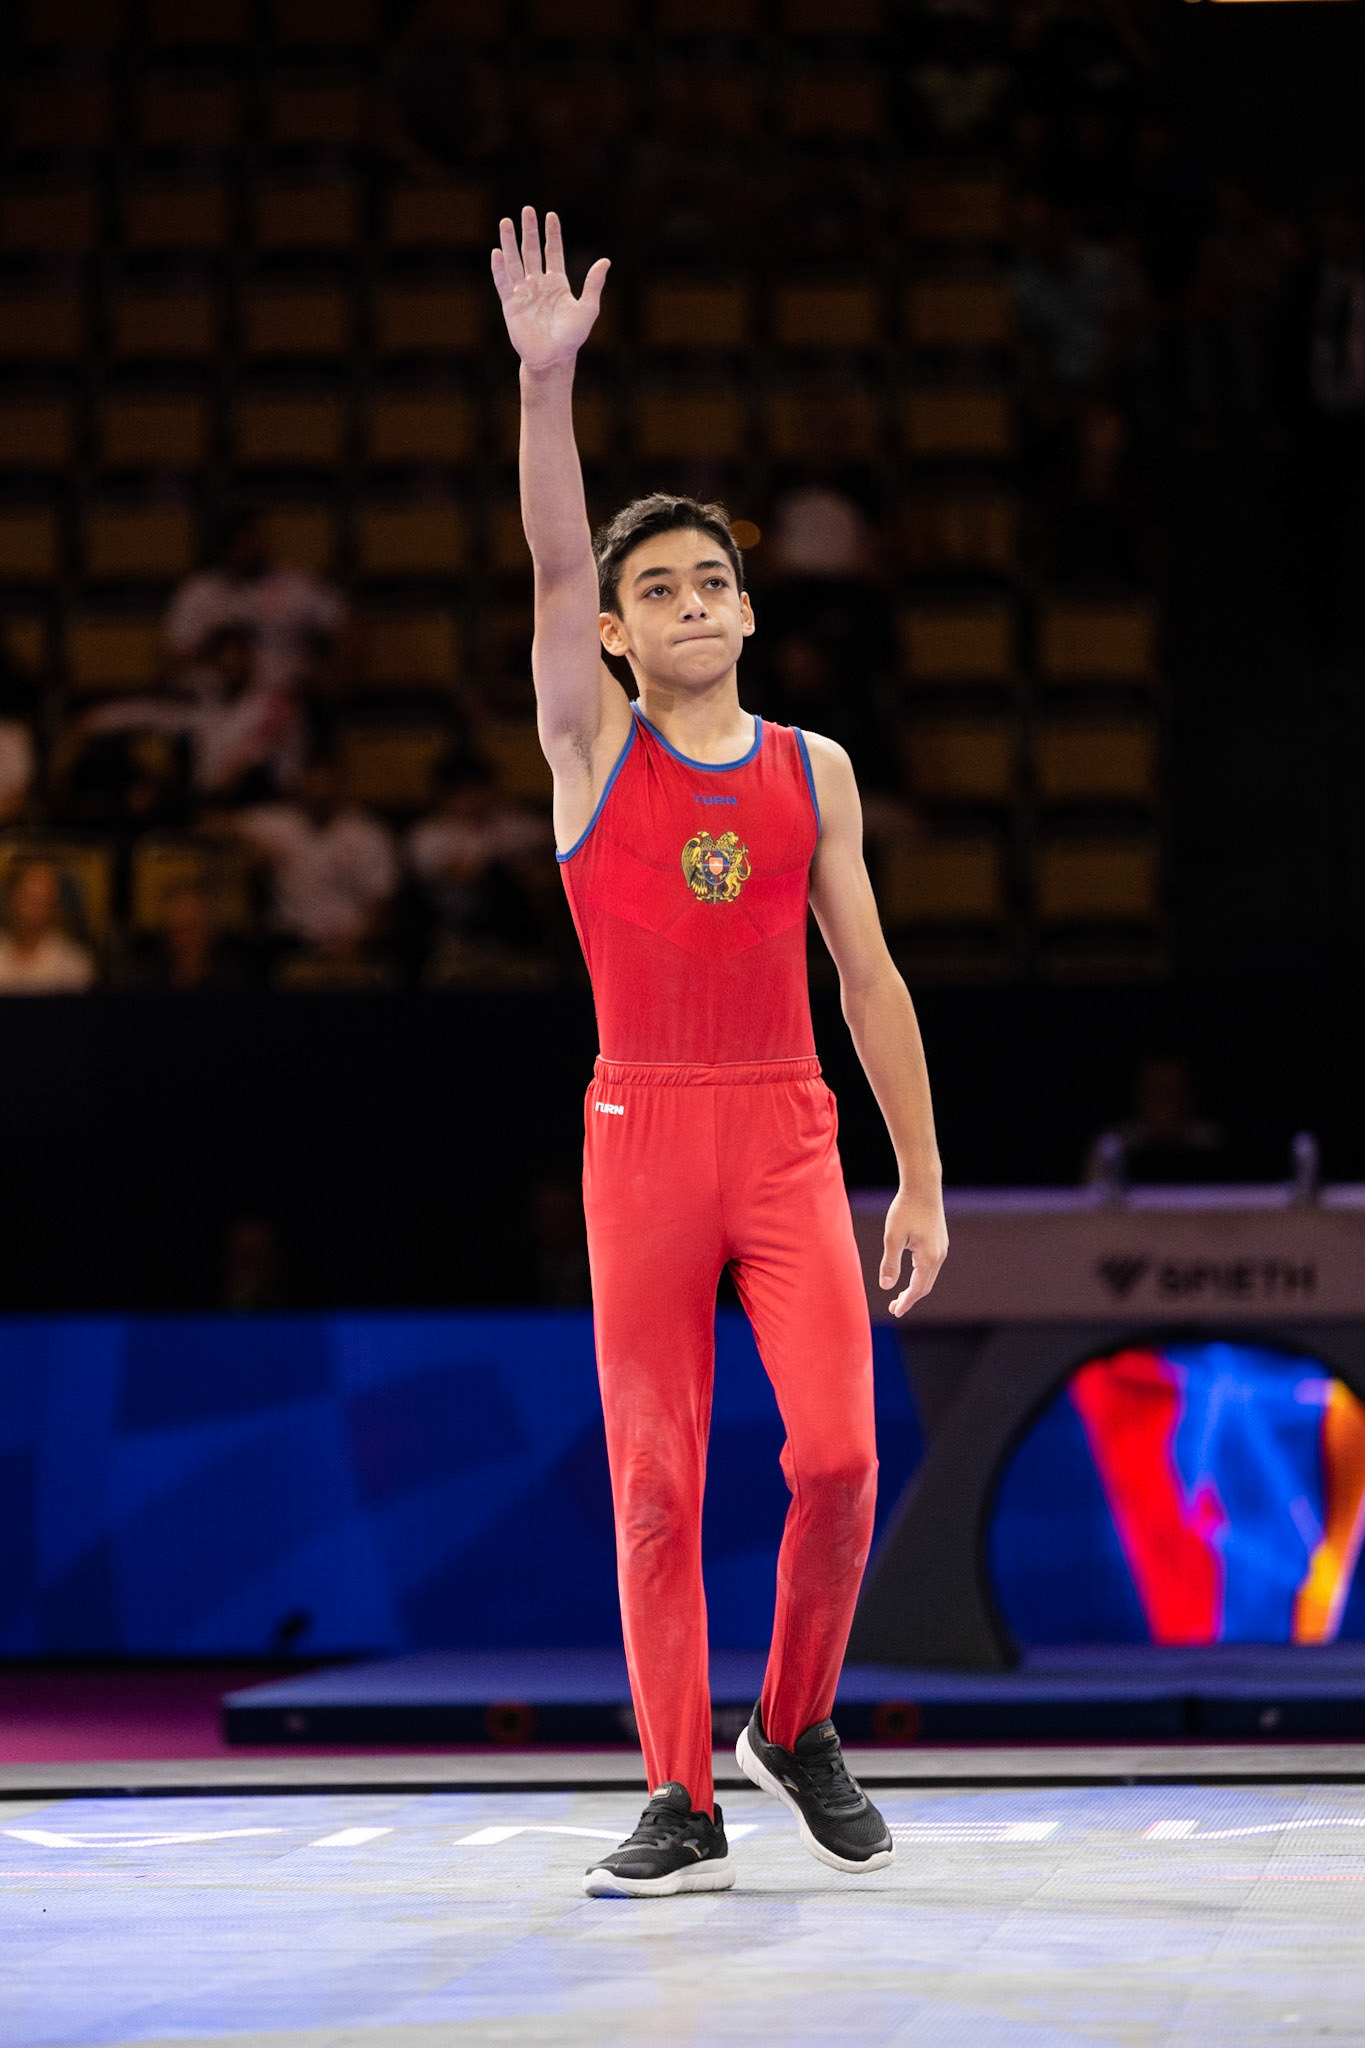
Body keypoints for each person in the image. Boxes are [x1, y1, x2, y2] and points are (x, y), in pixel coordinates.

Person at [493, 210, 948, 1900]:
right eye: (654, 588)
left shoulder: (814, 771)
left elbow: (873, 979)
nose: (689, 599)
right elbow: (548, 561)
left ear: (750, 610)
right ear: (611, 636)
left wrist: (921, 1169)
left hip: (782, 1132)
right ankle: (680, 1786)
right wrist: (550, 390)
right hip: (640, 1129)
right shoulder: (588, 748)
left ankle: (797, 1717)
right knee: (660, 1475)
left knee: (838, 1454)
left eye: (710, 578)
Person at [0, 861, 97, 994]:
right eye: (28, 900)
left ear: (55, 907)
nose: (33, 912)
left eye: (42, 902)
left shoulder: (71, 962)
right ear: (10, 900)